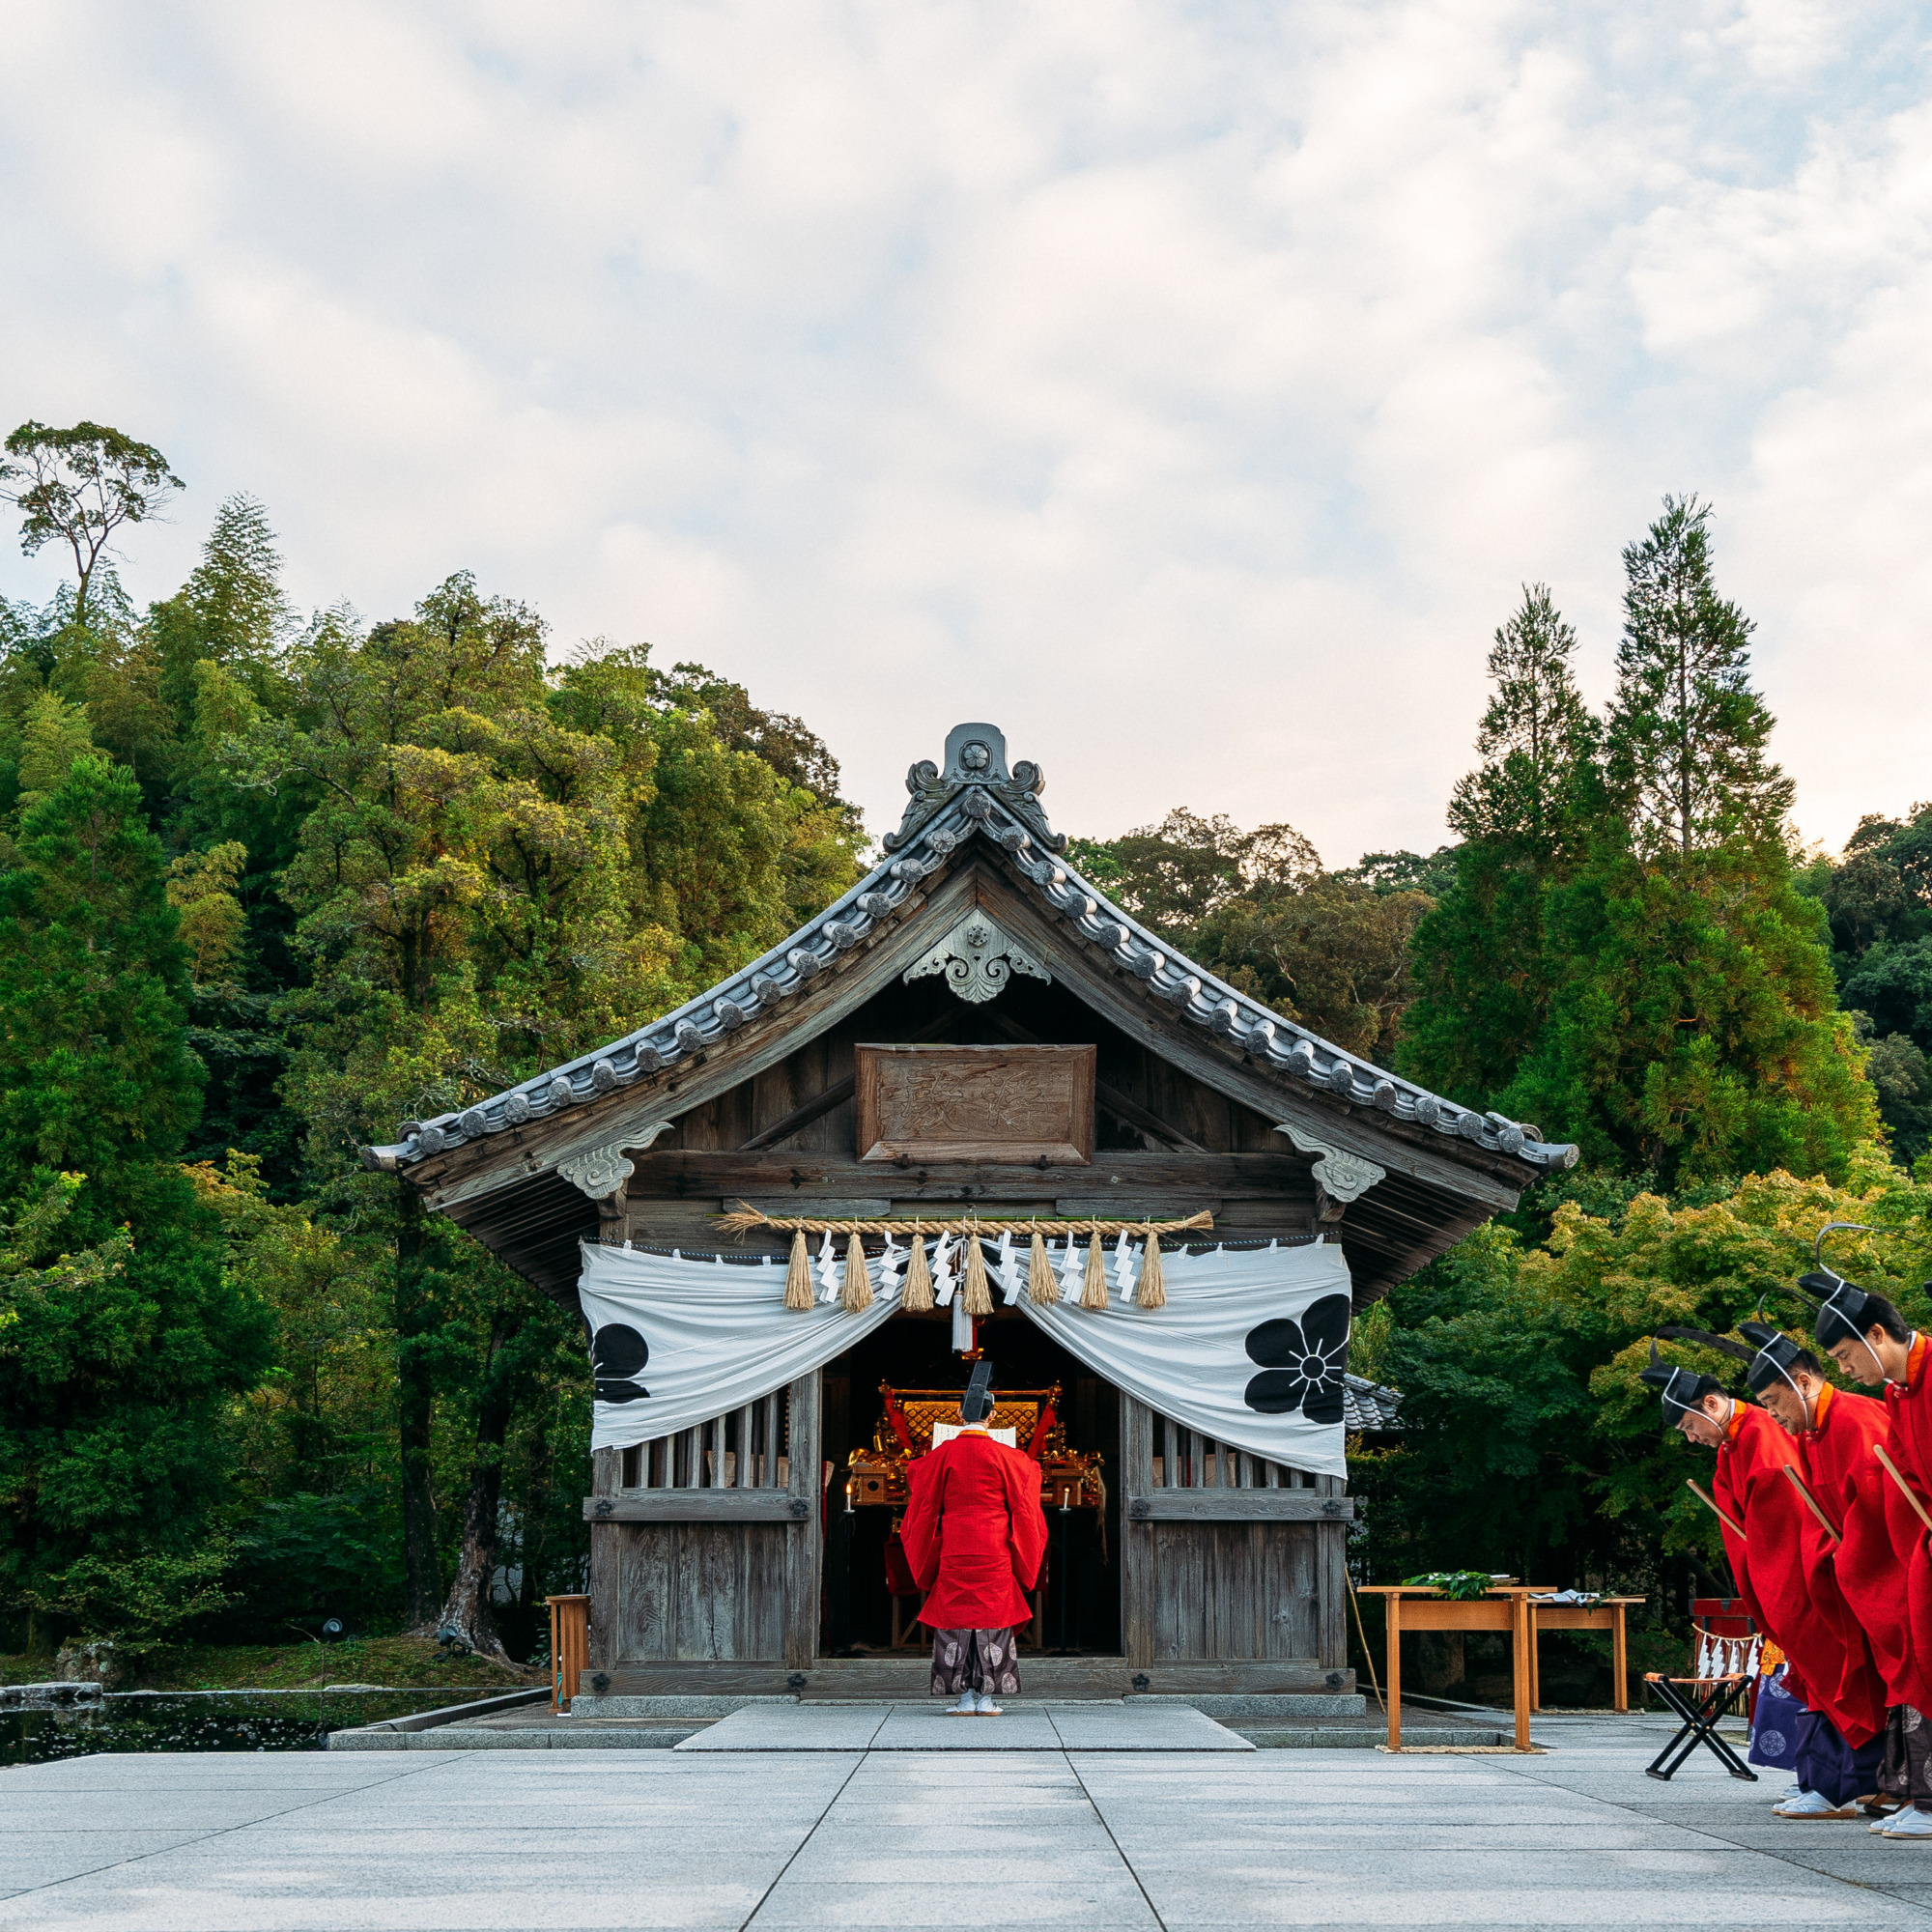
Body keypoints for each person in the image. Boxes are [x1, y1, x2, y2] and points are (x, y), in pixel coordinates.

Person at [1641, 1340, 1861, 1819]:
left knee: (1827, 1673)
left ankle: (1838, 1786)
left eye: (1689, 1425)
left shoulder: (1761, 1433)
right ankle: (1823, 1781)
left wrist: (1780, 1589)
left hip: (1800, 1577)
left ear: (1712, 1405)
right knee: (1813, 1677)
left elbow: (1787, 1520)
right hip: (1779, 1578)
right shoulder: (1740, 1438)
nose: (1691, 1438)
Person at [1807, 1266, 1932, 1837]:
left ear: (1877, 1335)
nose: (1843, 1369)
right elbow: (1904, 1477)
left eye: (1842, 1356)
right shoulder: (1898, 1392)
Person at [899, 1358, 1049, 1716]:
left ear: (957, 1414)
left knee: (956, 1620)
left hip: (955, 1545)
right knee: (992, 1619)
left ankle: (964, 1697)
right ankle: (987, 1698)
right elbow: (1027, 1502)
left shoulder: (940, 1456)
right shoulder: (1008, 1457)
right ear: (993, 1417)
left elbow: (920, 1492)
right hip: (994, 1546)